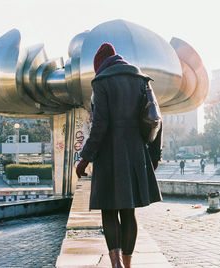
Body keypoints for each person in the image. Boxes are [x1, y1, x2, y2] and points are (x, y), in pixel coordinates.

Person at [76, 43, 163, 268]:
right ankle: (128, 264)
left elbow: (100, 126)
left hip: (109, 155)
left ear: (100, 66)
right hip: (135, 153)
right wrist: (154, 156)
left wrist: (84, 158)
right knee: (128, 211)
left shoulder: (101, 82)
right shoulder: (141, 80)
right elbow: (155, 118)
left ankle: (115, 265)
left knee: (109, 210)